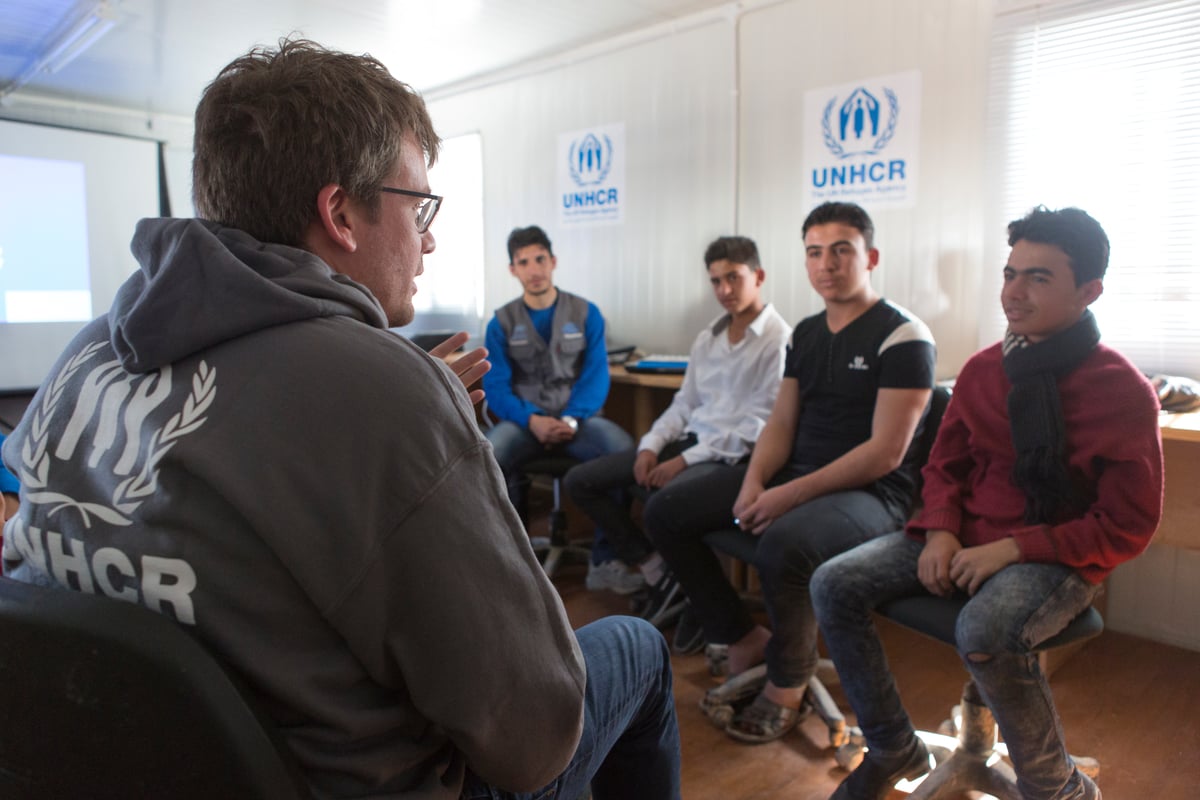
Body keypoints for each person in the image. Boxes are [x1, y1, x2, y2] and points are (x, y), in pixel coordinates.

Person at [0, 39, 680, 800]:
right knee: (640, 652)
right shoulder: (386, 395)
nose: (429, 238)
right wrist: (432, 436)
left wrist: (412, 417)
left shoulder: (83, 352)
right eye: (419, 205)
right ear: (341, 214)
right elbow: (537, 738)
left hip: (127, 770)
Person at [811, 206, 1163, 800]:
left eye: (1038, 278)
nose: (1013, 292)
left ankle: (1058, 788)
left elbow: (1126, 525)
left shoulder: (1122, 391)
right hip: (966, 536)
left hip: (1057, 555)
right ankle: (894, 747)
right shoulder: (982, 371)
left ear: (1089, 291)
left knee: (987, 628)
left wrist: (1013, 548)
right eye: (1009, 273)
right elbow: (944, 466)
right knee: (833, 583)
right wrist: (943, 529)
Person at [645, 201, 936, 743]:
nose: (827, 264)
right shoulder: (805, 334)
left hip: (874, 493)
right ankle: (740, 635)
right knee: (666, 510)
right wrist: (756, 481)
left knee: (785, 543)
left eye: (842, 250)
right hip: (799, 475)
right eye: (815, 252)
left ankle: (788, 681)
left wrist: (787, 496)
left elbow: (885, 454)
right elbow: (780, 423)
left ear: (869, 256)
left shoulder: (904, 336)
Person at [564, 235, 790, 650]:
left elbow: (759, 425)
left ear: (758, 276)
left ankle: (700, 604)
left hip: (729, 457)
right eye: (716, 281)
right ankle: (657, 571)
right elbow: (683, 404)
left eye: (733, 278)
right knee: (583, 480)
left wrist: (684, 460)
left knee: (665, 504)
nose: (723, 290)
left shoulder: (779, 340)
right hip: (689, 442)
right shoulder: (709, 338)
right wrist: (651, 445)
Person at [482, 225, 640, 594]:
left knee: (623, 453)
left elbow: (597, 377)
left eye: (540, 259)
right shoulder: (500, 323)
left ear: (553, 262)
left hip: (578, 421)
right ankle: (510, 562)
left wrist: (571, 417)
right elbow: (496, 387)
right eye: (524, 262)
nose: (534, 269)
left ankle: (605, 560)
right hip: (524, 422)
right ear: (513, 270)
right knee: (487, 455)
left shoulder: (586, 313)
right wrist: (531, 420)